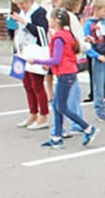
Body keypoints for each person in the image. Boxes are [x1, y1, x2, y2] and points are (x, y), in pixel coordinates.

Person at [26, 8, 99, 150]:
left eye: (50, 18)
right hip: (67, 73)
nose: (48, 21)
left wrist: (36, 61)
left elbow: (56, 59)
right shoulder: (67, 34)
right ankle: (56, 137)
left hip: (65, 74)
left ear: (56, 21)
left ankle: (88, 128)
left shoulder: (59, 37)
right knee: (57, 105)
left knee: (61, 106)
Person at [50, 0, 90, 140]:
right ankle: (76, 126)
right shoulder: (71, 18)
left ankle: (63, 128)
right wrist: (87, 45)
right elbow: (77, 41)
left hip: (61, 61)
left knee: (67, 96)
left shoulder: (56, 15)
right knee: (69, 97)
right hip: (69, 61)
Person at [10, 0, 50, 130]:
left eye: (23, 4)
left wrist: (25, 22)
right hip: (22, 51)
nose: (21, 7)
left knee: (37, 85)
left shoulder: (39, 12)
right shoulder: (22, 12)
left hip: (35, 51)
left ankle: (43, 115)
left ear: (29, 0)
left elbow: (41, 31)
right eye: (19, 4)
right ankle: (32, 113)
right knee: (27, 84)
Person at [41, 0, 66, 103]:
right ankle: (50, 93)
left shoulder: (63, 7)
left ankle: (61, 91)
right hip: (48, 38)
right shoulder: (44, 5)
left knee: (59, 64)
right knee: (48, 68)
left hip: (60, 38)